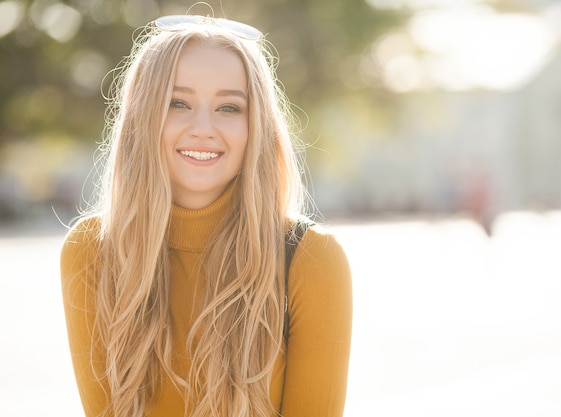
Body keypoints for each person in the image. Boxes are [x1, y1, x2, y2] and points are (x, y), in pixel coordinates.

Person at [60, 14, 352, 417]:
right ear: (142, 117)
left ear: (257, 127)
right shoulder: (90, 249)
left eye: (229, 107)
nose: (203, 128)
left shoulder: (312, 259)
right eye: (177, 103)